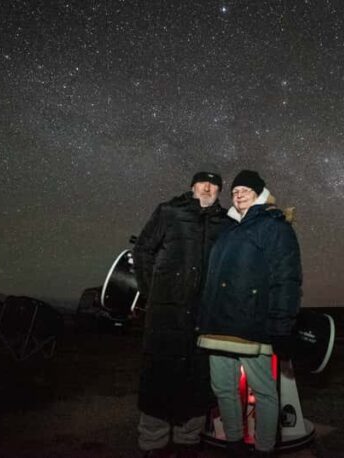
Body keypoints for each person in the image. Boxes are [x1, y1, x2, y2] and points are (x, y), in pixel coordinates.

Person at [197, 170, 302, 457]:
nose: (238, 194)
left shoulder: (274, 226)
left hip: (251, 324)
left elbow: (287, 278)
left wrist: (282, 325)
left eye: (245, 189)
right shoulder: (228, 229)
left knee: (264, 391)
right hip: (218, 325)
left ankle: (264, 448)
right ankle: (234, 444)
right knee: (223, 388)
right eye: (234, 191)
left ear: (259, 193)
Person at [131, 171, 228, 458]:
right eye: (202, 183)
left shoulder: (226, 222)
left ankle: (188, 440)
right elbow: (143, 250)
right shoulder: (169, 211)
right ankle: (154, 442)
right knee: (159, 375)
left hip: (203, 315)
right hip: (167, 313)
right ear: (192, 186)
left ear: (219, 191)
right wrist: (153, 292)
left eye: (213, 184)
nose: (207, 187)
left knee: (197, 379)